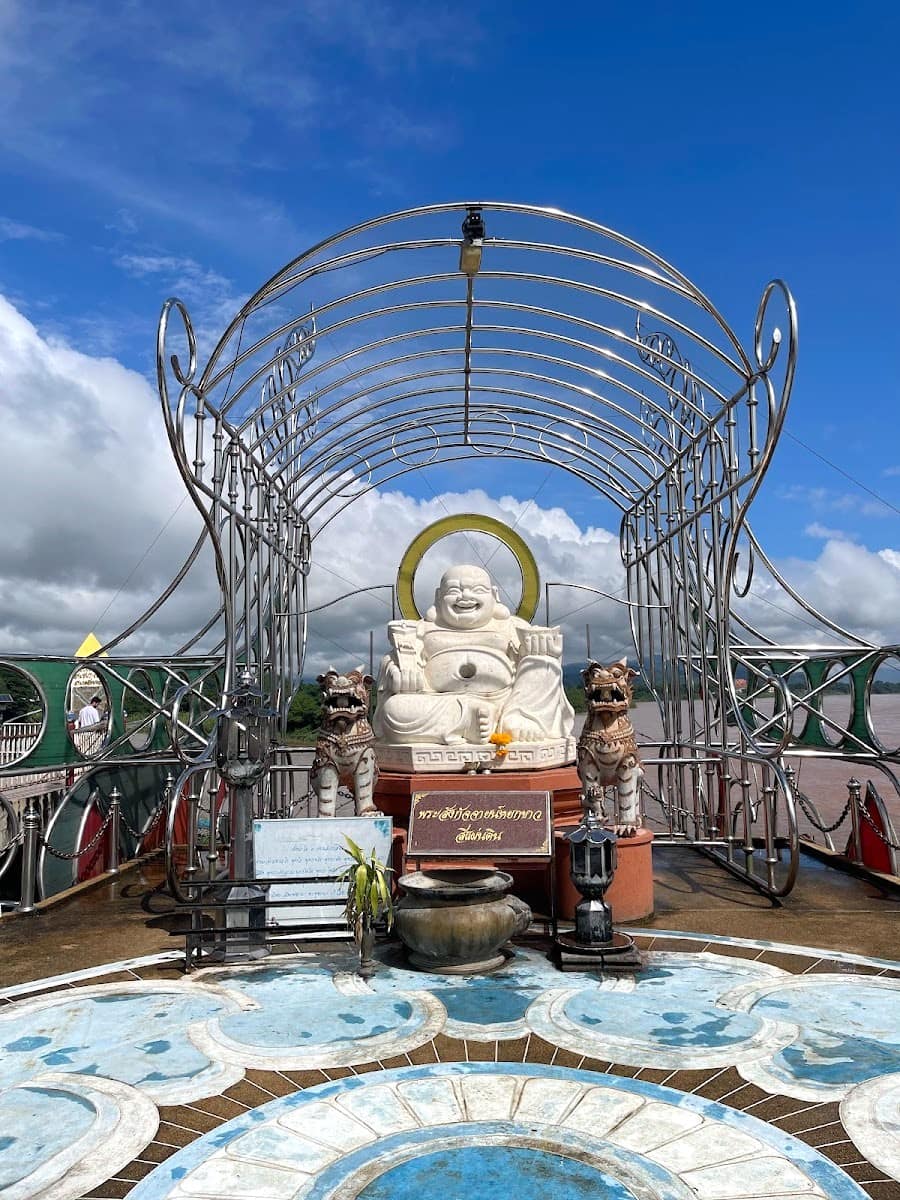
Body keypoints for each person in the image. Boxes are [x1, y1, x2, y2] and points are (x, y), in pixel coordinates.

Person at [373, 563, 574, 747]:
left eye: (477, 590)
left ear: (494, 595)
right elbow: (392, 658)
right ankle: (468, 720)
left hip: (506, 702)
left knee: (545, 663)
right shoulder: (421, 630)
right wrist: (397, 671)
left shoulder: (512, 626)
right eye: (454, 590)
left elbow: (543, 666)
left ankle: (521, 718)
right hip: (441, 703)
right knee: (394, 711)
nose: (465, 597)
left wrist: (541, 647)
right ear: (438, 597)